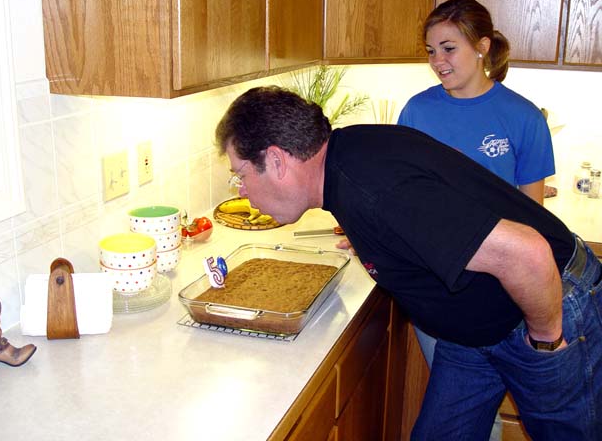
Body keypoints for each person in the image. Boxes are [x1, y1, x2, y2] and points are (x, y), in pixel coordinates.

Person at [215, 85, 602, 440]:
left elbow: (526, 253)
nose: (243, 191)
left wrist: (547, 344)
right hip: (476, 330)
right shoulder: (346, 155)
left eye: (240, 175)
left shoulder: (376, 190)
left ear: (277, 160)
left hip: (544, 304)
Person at [395, 0, 556, 438]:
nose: (437, 62)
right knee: (465, 408)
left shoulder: (524, 118)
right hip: (435, 285)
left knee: (474, 407)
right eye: (431, 51)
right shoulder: (416, 112)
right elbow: (400, 199)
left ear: (482, 46)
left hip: (499, 288)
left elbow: (532, 219)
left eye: (449, 48)